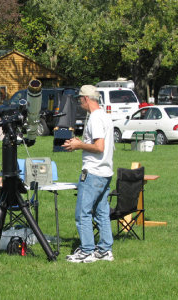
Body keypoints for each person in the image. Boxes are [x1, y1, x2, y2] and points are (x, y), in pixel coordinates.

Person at [62, 85, 114, 263]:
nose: (79, 102)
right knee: (101, 212)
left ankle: (87, 250)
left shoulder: (95, 118)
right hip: (106, 171)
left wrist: (78, 145)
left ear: (86, 99)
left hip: (93, 172)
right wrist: (79, 143)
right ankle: (105, 249)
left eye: (79, 99)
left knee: (82, 213)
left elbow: (99, 147)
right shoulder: (105, 117)